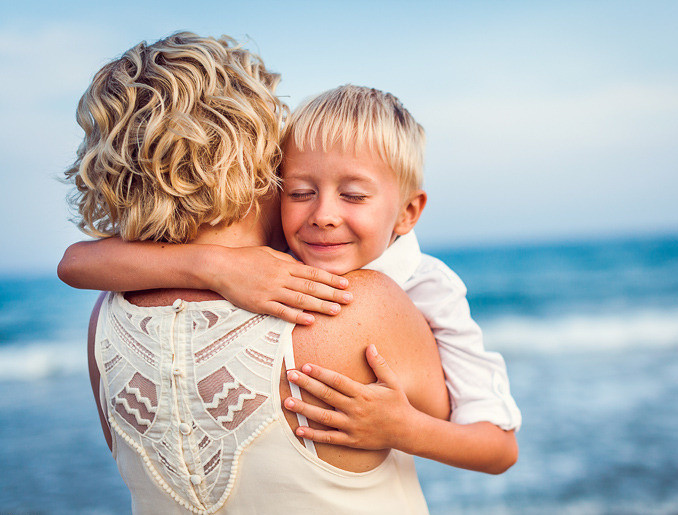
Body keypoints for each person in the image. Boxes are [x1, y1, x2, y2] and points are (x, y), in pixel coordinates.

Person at [62, 31, 449, 515]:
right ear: (257, 159)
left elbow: (73, 262)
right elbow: (449, 417)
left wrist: (203, 264)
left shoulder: (106, 319)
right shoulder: (355, 303)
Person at [61, 85, 521, 474]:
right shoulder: (280, 251)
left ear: (407, 212)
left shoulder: (428, 287)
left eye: (353, 195)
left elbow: (498, 448)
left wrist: (401, 428)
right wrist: (214, 266)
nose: (322, 216)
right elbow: (77, 264)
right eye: (300, 192)